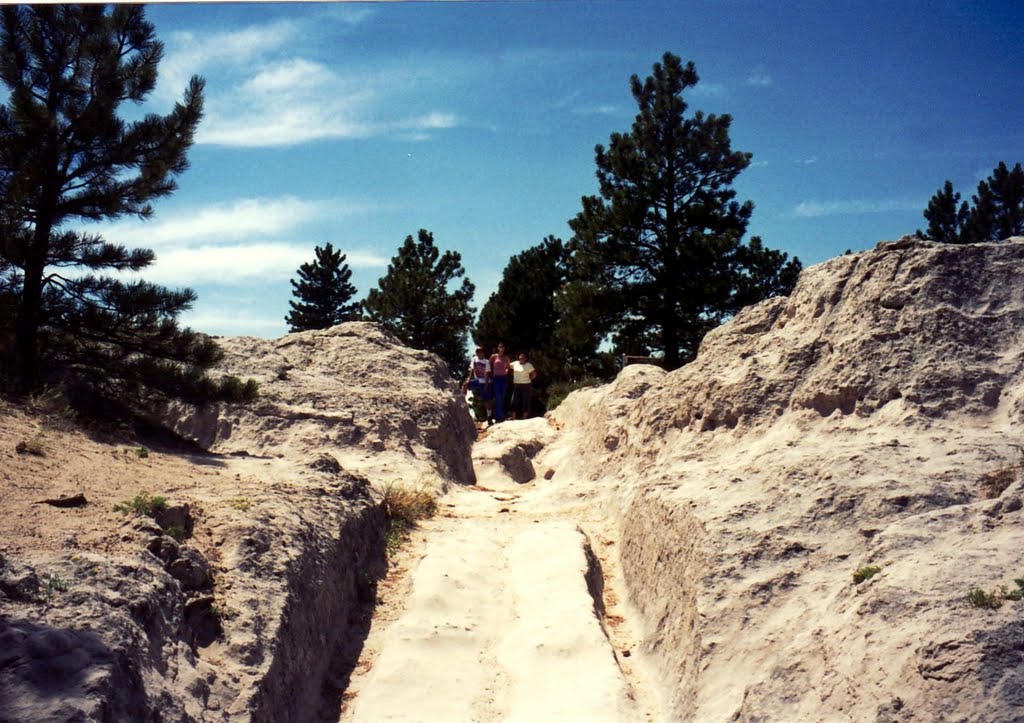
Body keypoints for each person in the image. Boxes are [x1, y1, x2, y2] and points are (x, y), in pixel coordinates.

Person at [463, 346, 492, 423]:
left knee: (486, 400)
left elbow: (487, 374)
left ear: (483, 353)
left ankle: (489, 416)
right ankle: (462, 400)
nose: (479, 353)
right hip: (477, 380)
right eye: (477, 352)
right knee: (465, 384)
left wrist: (486, 385)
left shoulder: (486, 362)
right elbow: (472, 370)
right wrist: (468, 380)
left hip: (484, 382)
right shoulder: (474, 359)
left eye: (481, 352)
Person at [509, 351, 537, 420]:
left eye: (523, 358)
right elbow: (507, 365)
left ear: (525, 359)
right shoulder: (515, 363)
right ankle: (513, 416)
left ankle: (524, 416)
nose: (521, 359)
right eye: (520, 357)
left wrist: (530, 379)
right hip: (517, 384)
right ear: (519, 358)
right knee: (514, 400)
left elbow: (534, 374)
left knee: (525, 400)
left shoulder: (529, 365)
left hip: (526, 384)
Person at [489, 341, 511, 423]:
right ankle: (498, 416)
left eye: (502, 347)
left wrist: (506, 371)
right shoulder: (494, 356)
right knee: (498, 397)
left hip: (504, 378)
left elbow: (508, 367)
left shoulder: (506, 358)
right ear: (498, 348)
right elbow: (489, 365)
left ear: (504, 348)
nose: (501, 348)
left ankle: (501, 415)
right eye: (499, 346)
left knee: (503, 396)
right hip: (496, 378)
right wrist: (490, 374)